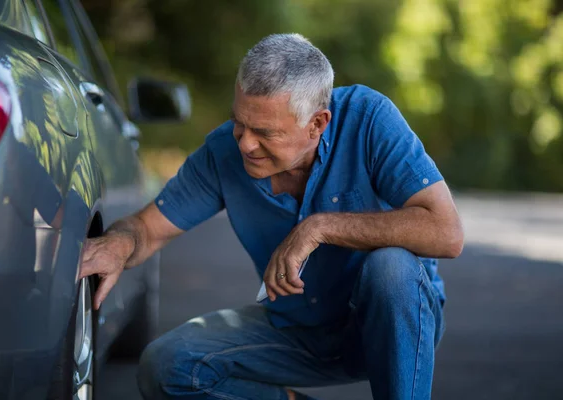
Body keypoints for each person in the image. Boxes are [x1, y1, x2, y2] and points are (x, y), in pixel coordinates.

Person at [80, 33, 464, 400]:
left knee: (392, 268)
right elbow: (147, 228)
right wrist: (119, 243)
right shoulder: (222, 153)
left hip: (391, 325)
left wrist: (319, 227)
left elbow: (446, 232)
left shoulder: (369, 118)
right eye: (239, 123)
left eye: (265, 132)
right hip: (296, 331)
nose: (246, 143)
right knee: (166, 365)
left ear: (317, 124)